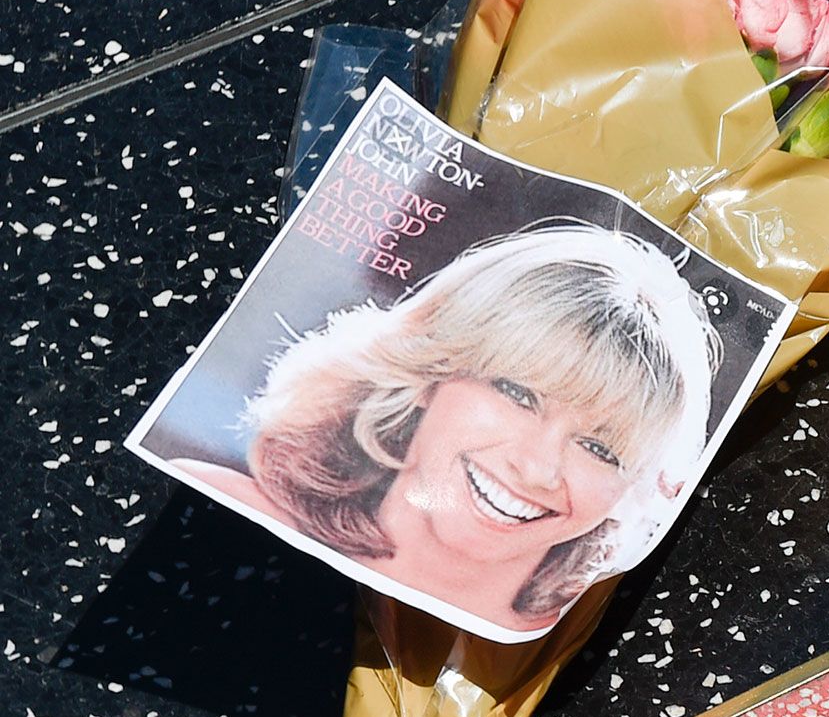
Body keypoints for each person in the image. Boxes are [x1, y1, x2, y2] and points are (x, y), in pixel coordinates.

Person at [184, 225, 719, 636]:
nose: (536, 468)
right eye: (517, 394)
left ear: (635, 491)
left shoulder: (580, 658)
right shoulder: (218, 503)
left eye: (600, 448)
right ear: (429, 372)